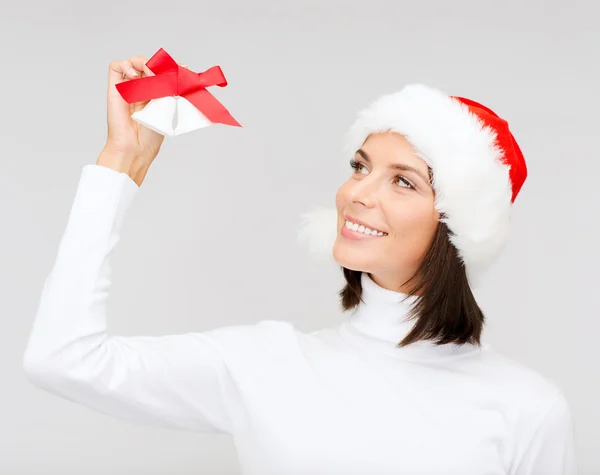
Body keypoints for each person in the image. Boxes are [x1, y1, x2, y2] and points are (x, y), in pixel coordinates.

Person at [22, 55, 577, 475]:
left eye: (403, 181)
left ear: (456, 226)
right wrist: (122, 163)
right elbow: (61, 360)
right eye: (360, 167)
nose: (358, 193)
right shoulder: (267, 365)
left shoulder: (527, 408)